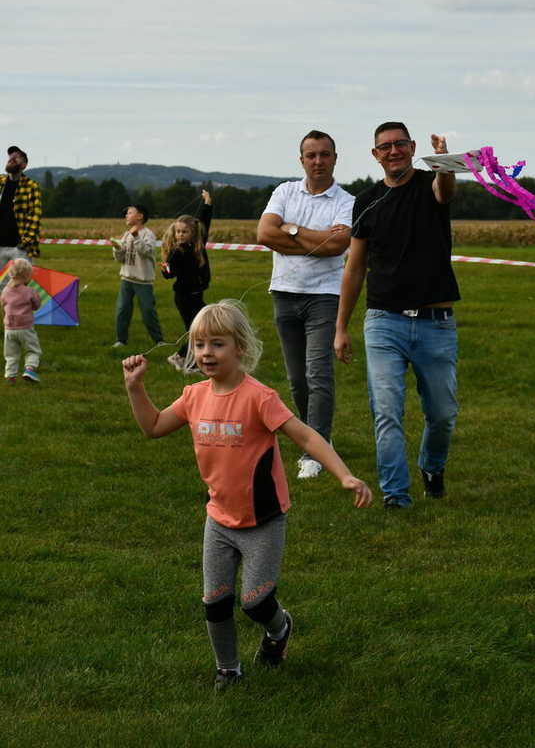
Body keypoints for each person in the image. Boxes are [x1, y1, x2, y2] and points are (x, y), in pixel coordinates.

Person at [122, 300, 372, 692]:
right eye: (199, 345)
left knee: (256, 603)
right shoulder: (193, 396)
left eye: (217, 344)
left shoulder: (259, 397)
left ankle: (280, 628)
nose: (206, 353)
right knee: (216, 601)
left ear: (240, 347)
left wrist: (344, 474)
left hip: (263, 520)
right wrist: (135, 388)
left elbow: (305, 435)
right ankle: (228, 668)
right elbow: (153, 426)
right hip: (219, 519)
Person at [334, 123, 460, 508]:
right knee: (386, 411)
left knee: (441, 414)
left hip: (435, 323)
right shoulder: (367, 201)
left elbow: (446, 190)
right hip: (383, 321)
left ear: (412, 148)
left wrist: (443, 161)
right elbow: (354, 269)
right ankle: (395, 496)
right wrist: (341, 327)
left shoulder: (429, 184)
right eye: (385, 147)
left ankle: (432, 466)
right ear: (375, 155)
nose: (394, 151)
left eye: (400, 144)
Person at [257, 131, 354, 480]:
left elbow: (337, 245)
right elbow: (265, 234)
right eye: (311, 155)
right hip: (284, 293)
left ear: (334, 158)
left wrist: (292, 231)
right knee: (297, 380)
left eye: (324, 154)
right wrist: (315, 238)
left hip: (324, 297)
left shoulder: (345, 201)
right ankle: (314, 434)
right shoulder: (284, 191)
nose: (318, 161)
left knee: (318, 375)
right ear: (301, 160)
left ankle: (317, 448)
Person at [160, 189, 213, 370]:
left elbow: (204, 221)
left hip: (196, 295)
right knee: (196, 331)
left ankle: (190, 361)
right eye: (178, 232)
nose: (180, 235)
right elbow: (169, 274)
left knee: (202, 329)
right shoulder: (177, 252)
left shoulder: (198, 245)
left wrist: (207, 203)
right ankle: (180, 358)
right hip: (184, 297)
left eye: (184, 232)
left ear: (193, 232)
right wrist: (165, 269)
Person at [111, 204, 164, 348]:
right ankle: (121, 340)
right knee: (122, 310)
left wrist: (136, 236)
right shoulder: (126, 234)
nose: (126, 216)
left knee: (148, 311)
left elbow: (147, 252)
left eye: (129, 213)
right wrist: (116, 249)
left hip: (143, 281)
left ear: (140, 216)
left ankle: (159, 340)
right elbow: (120, 259)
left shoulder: (148, 234)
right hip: (126, 279)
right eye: (126, 214)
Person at [0, 146, 42, 270]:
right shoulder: (1, 182)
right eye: (10, 156)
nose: (12, 158)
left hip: (19, 249)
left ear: (24, 165)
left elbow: (35, 216)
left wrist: (25, 243)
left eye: (16, 157)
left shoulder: (31, 186)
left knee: (19, 285)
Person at [1, 257, 42, 384]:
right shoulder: (30, 291)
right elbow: (36, 305)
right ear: (28, 276)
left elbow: (3, 305)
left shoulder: (5, 291)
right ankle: (29, 369)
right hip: (26, 328)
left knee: (11, 354)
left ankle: (10, 376)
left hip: (9, 329)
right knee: (33, 350)